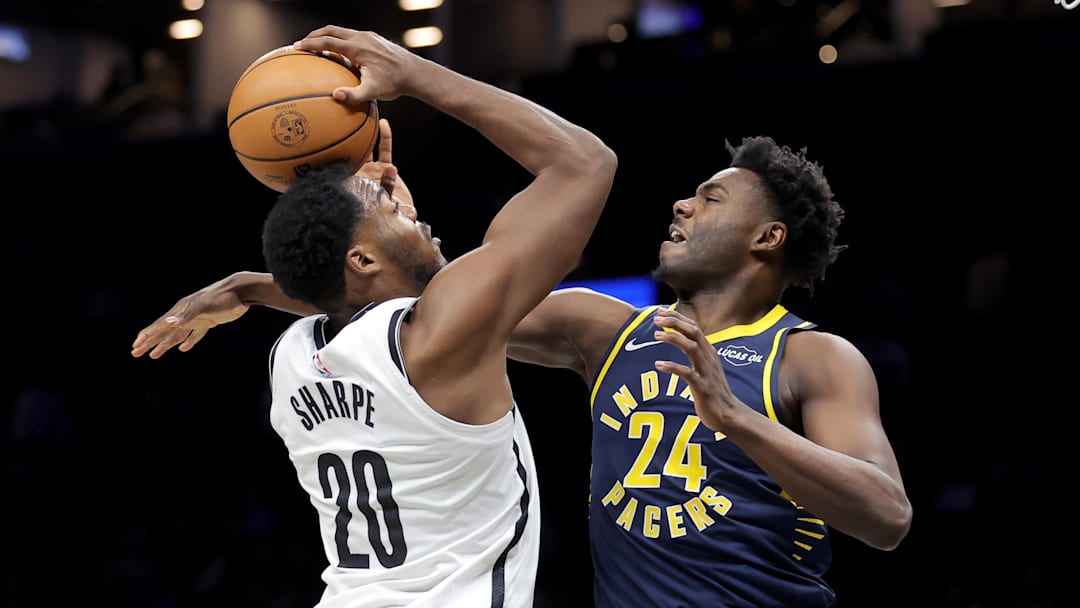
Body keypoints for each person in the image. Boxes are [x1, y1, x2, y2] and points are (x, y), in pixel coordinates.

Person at [134, 133, 911, 605]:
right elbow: (427, 308)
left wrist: (736, 420)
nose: (680, 204)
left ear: (767, 239)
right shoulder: (603, 330)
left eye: (710, 200)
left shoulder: (813, 355)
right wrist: (249, 286)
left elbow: (887, 517)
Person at [132, 25, 617, 608]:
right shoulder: (435, 337)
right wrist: (414, 75)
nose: (413, 211)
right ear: (360, 258)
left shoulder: (289, 358)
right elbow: (584, 163)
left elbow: (354, 300)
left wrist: (261, 282)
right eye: (393, 208)